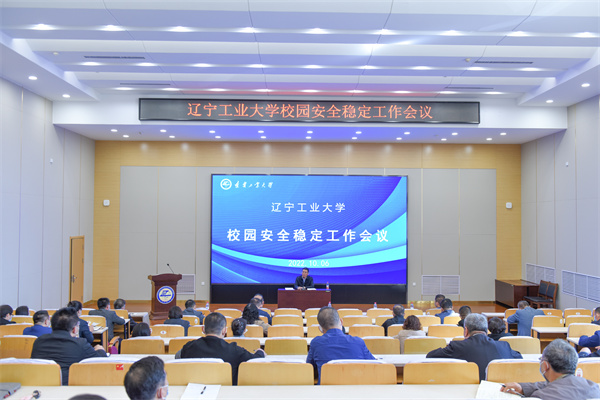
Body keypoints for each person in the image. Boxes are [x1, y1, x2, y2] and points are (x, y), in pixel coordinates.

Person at [426, 313, 522, 381]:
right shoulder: (504, 346)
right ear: (486, 330)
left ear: (466, 330)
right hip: (498, 391)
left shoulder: (457, 346)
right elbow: (519, 358)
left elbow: (430, 356)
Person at [179, 312, 265, 385]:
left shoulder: (188, 347)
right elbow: (256, 359)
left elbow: (177, 357)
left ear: (203, 329)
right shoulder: (234, 350)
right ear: (224, 331)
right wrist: (260, 352)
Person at [501, 339, 600, 399]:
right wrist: (523, 388)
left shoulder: (542, 396)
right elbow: (556, 384)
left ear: (545, 365)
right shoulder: (594, 387)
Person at [31, 307, 107, 385]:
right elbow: (100, 362)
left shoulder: (38, 342)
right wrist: (100, 350)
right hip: (69, 387)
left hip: (43, 386)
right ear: (74, 329)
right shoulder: (80, 344)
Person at [306, 306, 375, 384]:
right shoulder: (359, 342)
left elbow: (309, 368)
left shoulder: (316, 343)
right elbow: (374, 365)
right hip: (355, 388)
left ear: (320, 328)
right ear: (341, 322)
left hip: (326, 389)